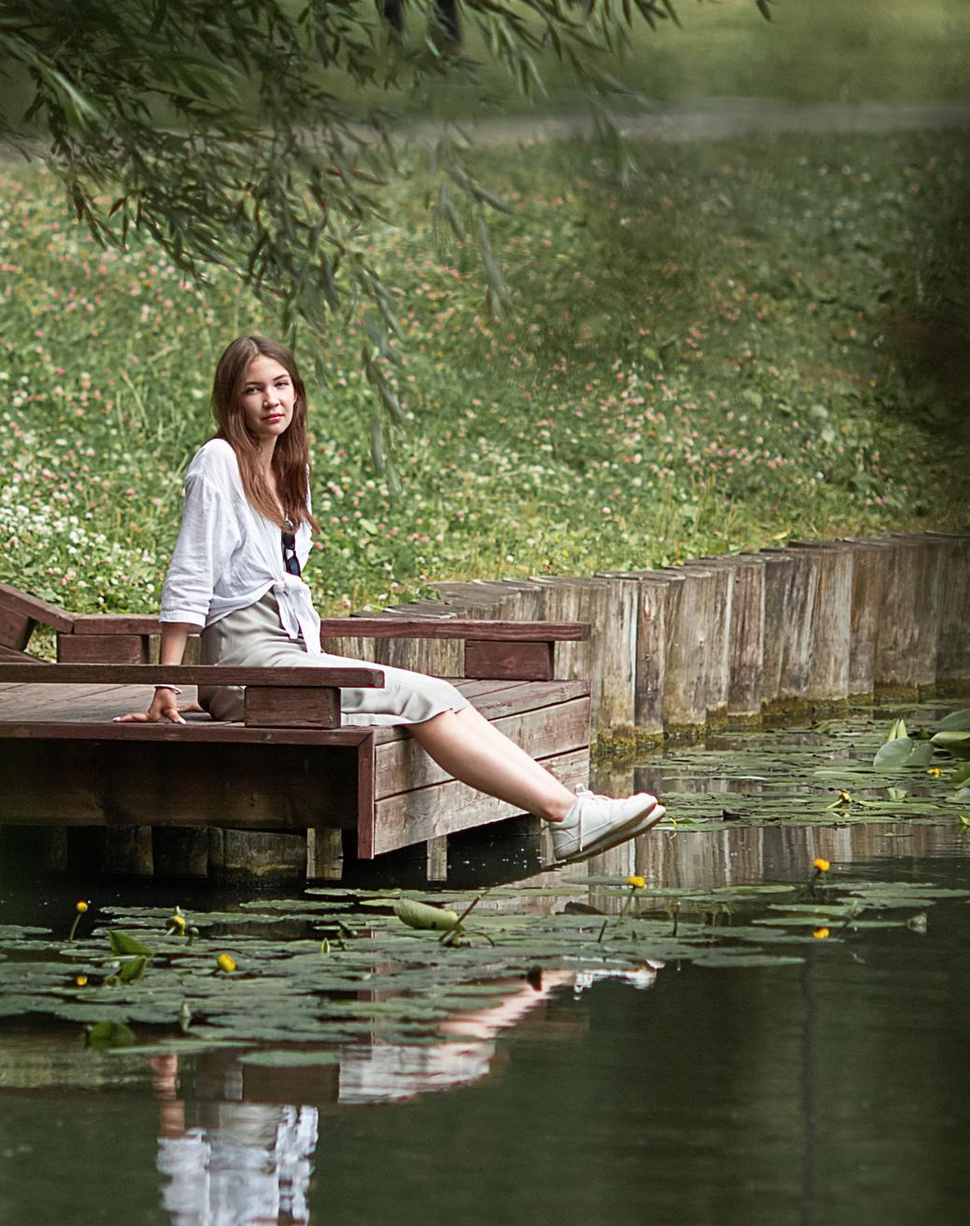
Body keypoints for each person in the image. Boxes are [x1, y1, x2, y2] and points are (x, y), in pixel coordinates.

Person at [132, 333, 663, 870]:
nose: (272, 400)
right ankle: (565, 814)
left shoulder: (291, 469)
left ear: (297, 392)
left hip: (290, 655)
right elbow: (190, 574)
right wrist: (166, 685)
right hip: (250, 667)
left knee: (440, 693)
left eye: (281, 384)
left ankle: (570, 809)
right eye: (254, 390)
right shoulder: (219, 460)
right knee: (420, 695)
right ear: (232, 400)